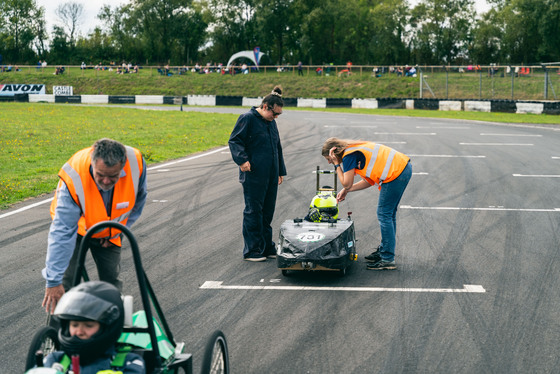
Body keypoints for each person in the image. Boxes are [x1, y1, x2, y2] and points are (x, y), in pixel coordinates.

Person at [42, 138, 147, 313]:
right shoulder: (74, 174)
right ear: (92, 163)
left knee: (110, 283)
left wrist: (114, 232)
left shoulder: (135, 163)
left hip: (110, 231)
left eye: (113, 176)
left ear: (123, 166)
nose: (106, 181)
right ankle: (57, 336)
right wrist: (53, 281)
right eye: (100, 175)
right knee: (65, 283)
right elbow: (62, 231)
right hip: (75, 228)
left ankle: (111, 328)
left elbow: (138, 202)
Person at [322, 137, 412, 270]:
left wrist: (337, 165)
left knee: (384, 214)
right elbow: (368, 181)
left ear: (334, 153)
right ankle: (385, 251)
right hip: (402, 168)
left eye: (329, 159)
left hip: (396, 173)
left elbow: (346, 182)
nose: (329, 162)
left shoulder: (348, 155)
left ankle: (387, 258)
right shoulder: (354, 150)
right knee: (388, 215)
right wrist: (347, 190)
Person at [228, 86, 287, 262]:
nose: (276, 117)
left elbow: (277, 147)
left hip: (271, 174)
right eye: (274, 113)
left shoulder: (271, 123)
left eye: (278, 115)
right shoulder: (247, 118)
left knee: (268, 211)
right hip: (253, 174)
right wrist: (242, 160)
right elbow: (235, 140)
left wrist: (280, 171)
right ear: (265, 106)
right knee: (254, 211)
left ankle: (266, 246)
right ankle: (252, 250)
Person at [42, 281, 145, 373]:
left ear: (107, 327)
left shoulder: (130, 362)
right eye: (74, 325)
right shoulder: (55, 360)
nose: (79, 332)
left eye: (88, 325)